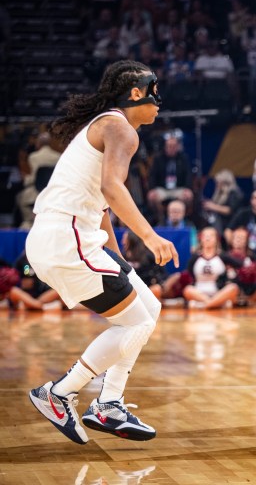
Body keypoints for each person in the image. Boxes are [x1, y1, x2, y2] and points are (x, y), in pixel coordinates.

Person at [25, 60, 178, 444]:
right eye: (154, 90)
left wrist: (119, 257)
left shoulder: (107, 125)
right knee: (135, 323)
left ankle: (109, 405)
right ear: (137, 92)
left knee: (149, 308)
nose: (160, 100)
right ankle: (59, 393)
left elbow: (102, 206)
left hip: (70, 235)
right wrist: (150, 236)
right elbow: (112, 188)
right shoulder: (120, 128)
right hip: (66, 237)